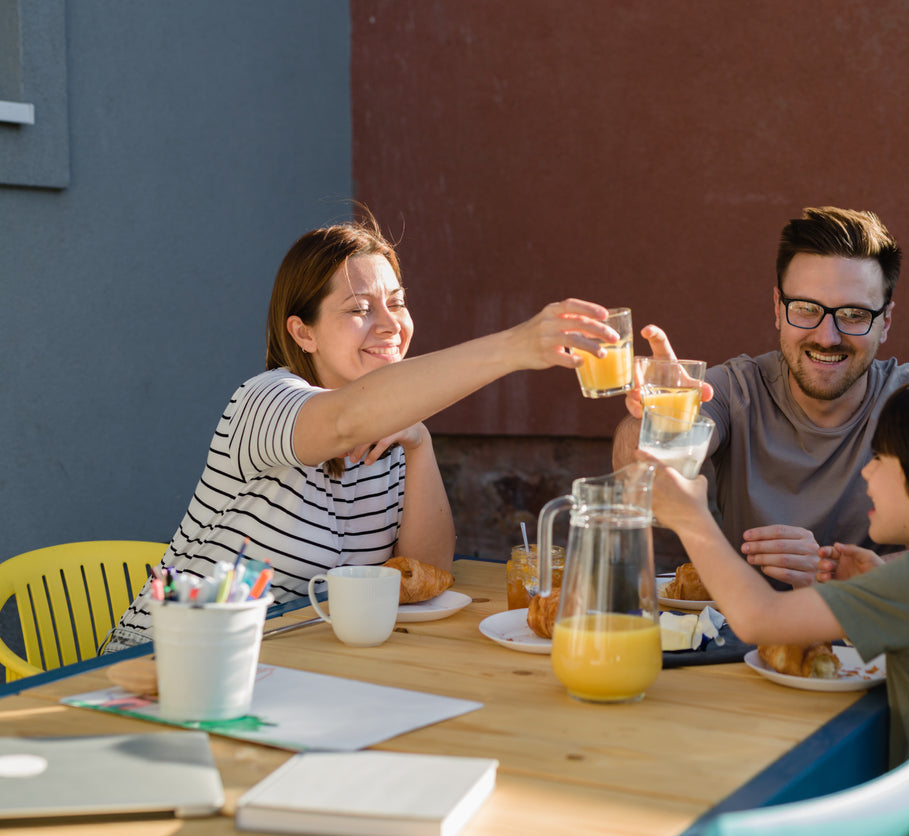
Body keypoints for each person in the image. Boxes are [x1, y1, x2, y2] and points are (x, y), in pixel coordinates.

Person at [106, 210, 622, 650]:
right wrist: (514, 347)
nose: (390, 325)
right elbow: (342, 421)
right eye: (358, 309)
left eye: (395, 302)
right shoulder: (263, 401)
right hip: (158, 663)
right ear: (302, 332)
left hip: (288, 665)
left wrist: (419, 442)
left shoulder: (390, 429)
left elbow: (426, 573)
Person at [642, 372, 909, 836]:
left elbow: (759, 620)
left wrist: (691, 520)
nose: (866, 472)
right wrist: (876, 585)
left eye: (880, 459)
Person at [612, 206, 909, 588]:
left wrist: (836, 574)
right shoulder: (733, 390)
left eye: (854, 314)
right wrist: (662, 419)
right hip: (741, 641)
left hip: (873, 641)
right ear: (778, 308)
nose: (827, 337)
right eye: (807, 309)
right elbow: (639, 486)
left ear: (886, 321)